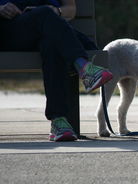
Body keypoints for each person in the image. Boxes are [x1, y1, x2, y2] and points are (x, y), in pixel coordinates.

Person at [0, 0, 113, 141]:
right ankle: (84, 66)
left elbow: (70, 8)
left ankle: (59, 122)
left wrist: (57, 11)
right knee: (45, 14)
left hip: (49, 32)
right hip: (10, 30)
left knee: (51, 43)